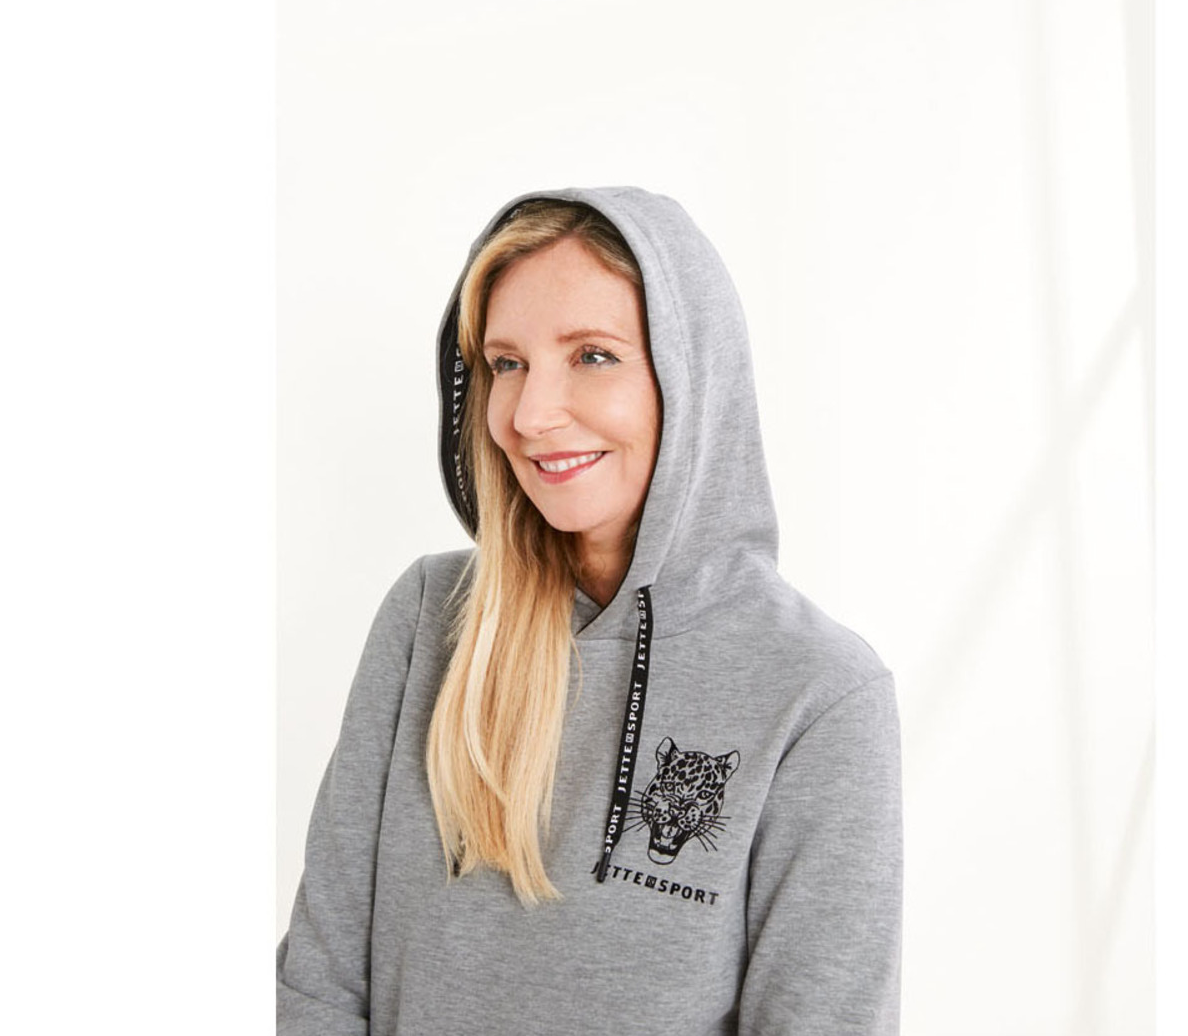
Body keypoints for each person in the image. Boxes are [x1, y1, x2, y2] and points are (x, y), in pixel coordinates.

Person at [276, 186, 904, 1035]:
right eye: (507, 363)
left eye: (593, 355)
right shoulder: (430, 620)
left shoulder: (819, 693)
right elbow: (315, 990)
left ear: (692, 378)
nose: (532, 414)